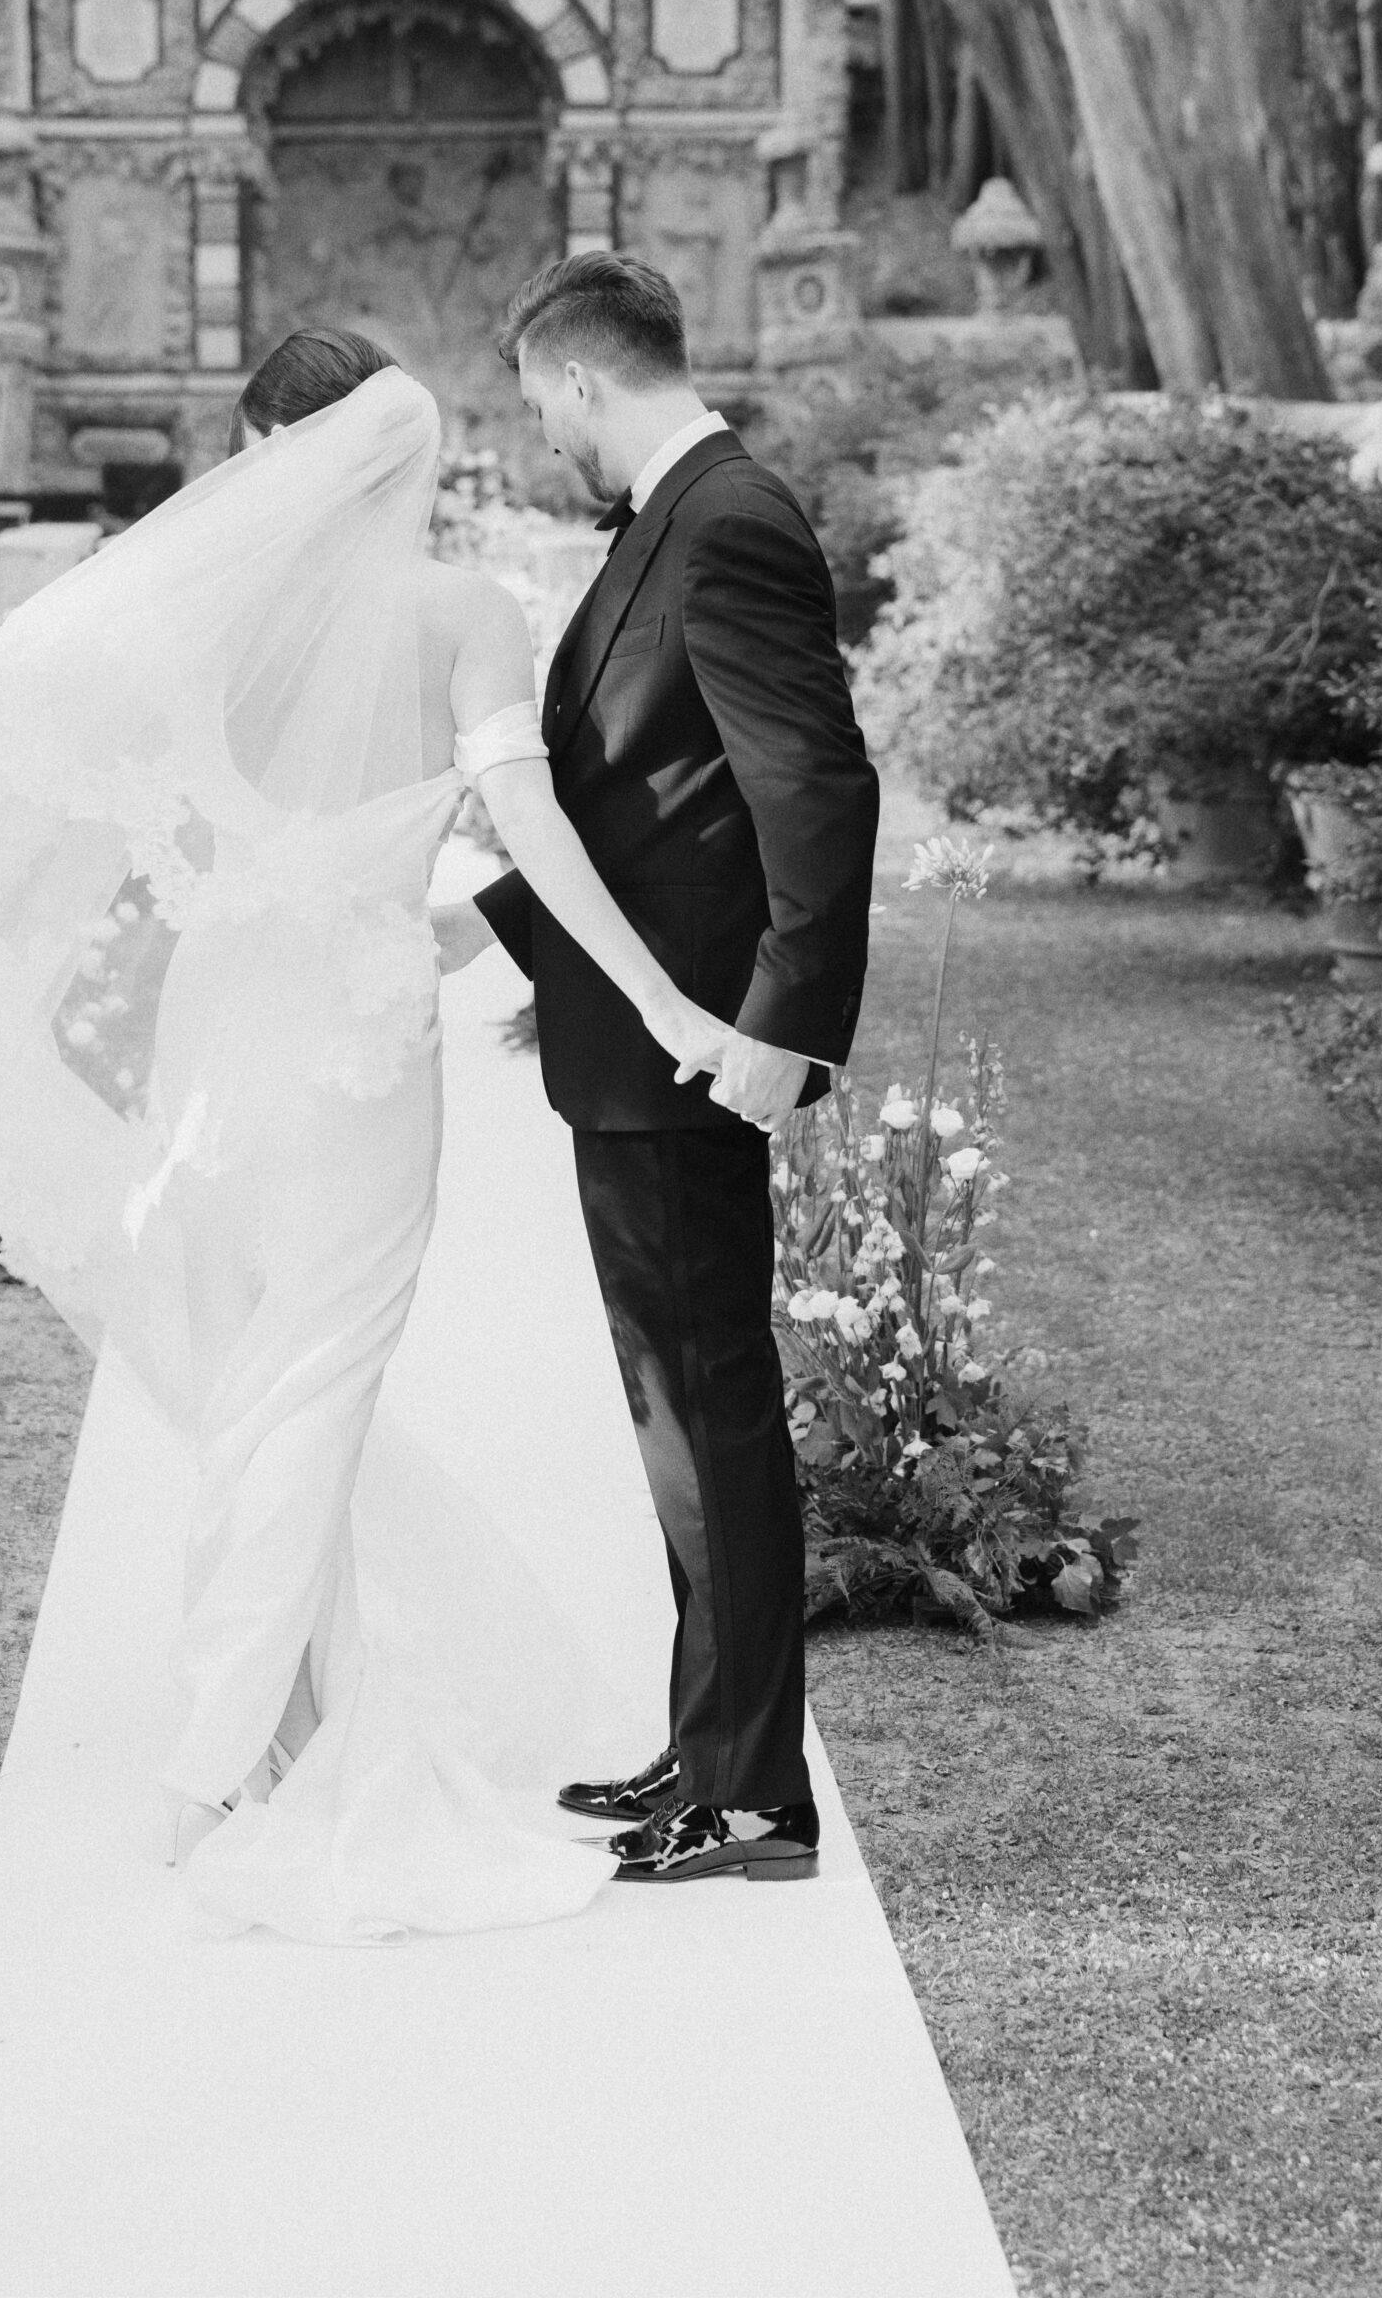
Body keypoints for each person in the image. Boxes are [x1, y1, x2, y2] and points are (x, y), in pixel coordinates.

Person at [0, 324, 733, 1941]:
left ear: (273, 458)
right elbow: (524, 819)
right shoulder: (464, 610)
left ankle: (275, 1725)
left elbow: (14, 743)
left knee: (256, 1378)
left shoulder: (210, 629)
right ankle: (219, 1752)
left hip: (225, 1041)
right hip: (358, 1055)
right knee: (314, 1379)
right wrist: (659, 1000)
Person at [433, 250, 881, 1884]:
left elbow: (814, 790)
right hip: (635, 1043)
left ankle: (756, 1793)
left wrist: (781, 1028)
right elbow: (646, 802)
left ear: (572, 381)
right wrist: (506, 939)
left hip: (696, 1059)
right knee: (673, 1407)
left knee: (709, 1409)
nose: (542, 443)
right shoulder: (677, 521)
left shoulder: (730, 523)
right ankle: (712, 1741)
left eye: (536, 409)